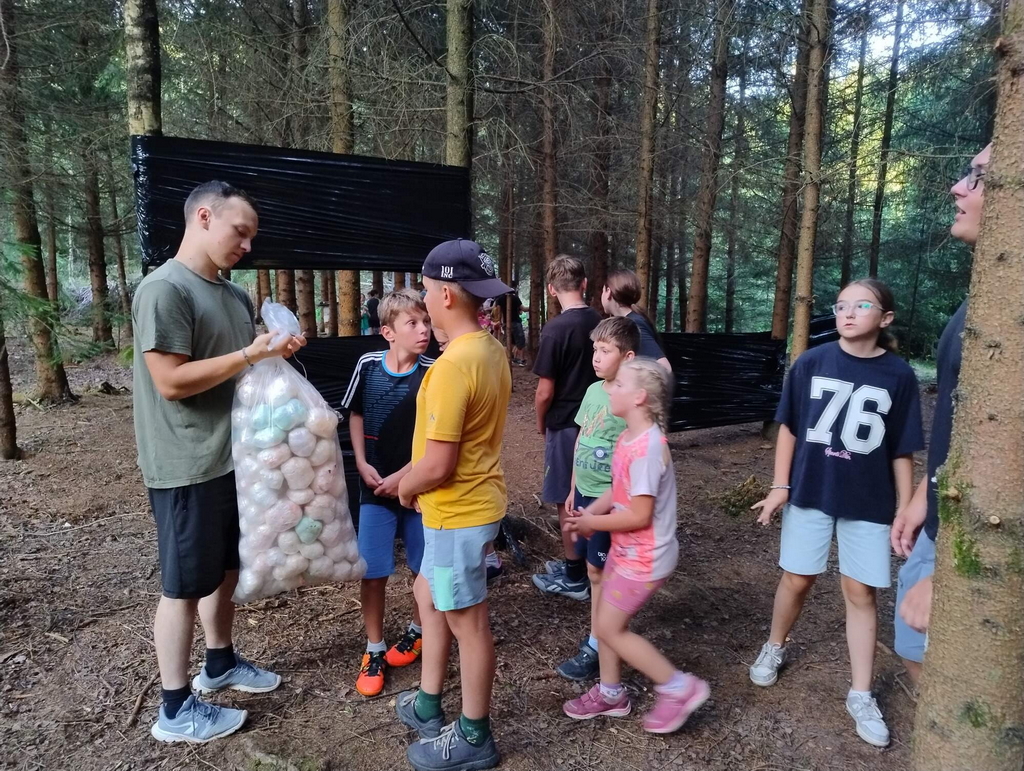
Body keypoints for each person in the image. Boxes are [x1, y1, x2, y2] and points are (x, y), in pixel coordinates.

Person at [132, 181, 304, 743]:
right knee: (183, 585)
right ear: (204, 217)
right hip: (187, 462)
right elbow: (170, 381)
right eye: (240, 232)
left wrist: (272, 349)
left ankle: (220, 662)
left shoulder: (232, 295)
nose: (247, 246)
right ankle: (174, 708)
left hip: (237, 458)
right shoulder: (165, 290)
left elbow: (239, 368)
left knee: (224, 569)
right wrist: (251, 351)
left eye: (252, 237)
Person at [748, 278, 924, 748]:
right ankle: (774, 645)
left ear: (885, 318)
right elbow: (788, 428)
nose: (847, 313)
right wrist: (780, 486)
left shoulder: (900, 375)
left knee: (860, 592)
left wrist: (905, 507)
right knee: (797, 578)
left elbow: (902, 449)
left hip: (868, 502)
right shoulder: (811, 362)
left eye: (861, 306)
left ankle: (860, 693)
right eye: (841, 305)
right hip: (811, 492)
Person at [395, 239, 512, 771]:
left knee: (468, 621)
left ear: (445, 295)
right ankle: (427, 703)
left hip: (456, 510)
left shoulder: (450, 368)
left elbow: (439, 465)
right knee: (428, 591)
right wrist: (410, 476)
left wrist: (406, 487)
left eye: (425, 289)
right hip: (473, 502)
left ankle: (473, 736)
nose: (423, 298)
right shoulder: (489, 350)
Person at [562, 358, 709, 733]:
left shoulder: (647, 449)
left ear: (640, 397)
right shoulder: (628, 438)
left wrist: (593, 524)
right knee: (606, 622)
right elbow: (619, 489)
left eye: (619, 385)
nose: (611, 389)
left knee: (610, 628)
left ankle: (679, 687)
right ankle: (611, 693)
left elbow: (639, 515)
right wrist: (591, 512)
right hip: (626, 552)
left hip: (645, 558)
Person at [891, 143, 992, 684]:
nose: (957, 187)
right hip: (945, 519)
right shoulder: (988, 300)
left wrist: (952, 572)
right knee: (912, 651)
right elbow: (965, 426)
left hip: (978, 546)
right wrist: (920, 497)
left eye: (979, 176)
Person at [342, 289, 434, 697]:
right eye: (412, 323)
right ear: (387, 332)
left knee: (422, 568)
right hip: (374, 489)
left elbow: (437, 438)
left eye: (426, 321)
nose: (424, 330)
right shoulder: (367, 365)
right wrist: (362, 463)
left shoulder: (434, 372)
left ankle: (417, 631)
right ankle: (374, 648)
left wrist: (403, 477)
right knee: (373, 570)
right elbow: (356, 414)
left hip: (420, 491)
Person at [555, 317, 639, 681]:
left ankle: (599, 642)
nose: (596, 357)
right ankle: (601, 636)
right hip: (585, 494)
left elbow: (634, 458)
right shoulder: (592, 391)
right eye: (595, 349)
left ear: (628, 357)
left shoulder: (632, 401)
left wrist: (609, 500)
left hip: (611, 501)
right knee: (593, 570)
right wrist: (573, 488)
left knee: (602, 572)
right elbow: (582, 439)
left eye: (605, 351)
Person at [531, 256, 602, 601]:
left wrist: (541, 423)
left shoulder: (555, 329)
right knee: (592, 492)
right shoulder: (599, 321)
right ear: (584, 284)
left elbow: (544, 391)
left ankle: (575, 575)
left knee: (566, 496)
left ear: (551, 289)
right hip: (597, 423)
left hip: (565, 423)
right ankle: (589, 564)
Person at [601, 269, 671, 373]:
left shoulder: (633, 324)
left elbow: (664, 368)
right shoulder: (630, 320)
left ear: (608, 292)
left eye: (602, 291)